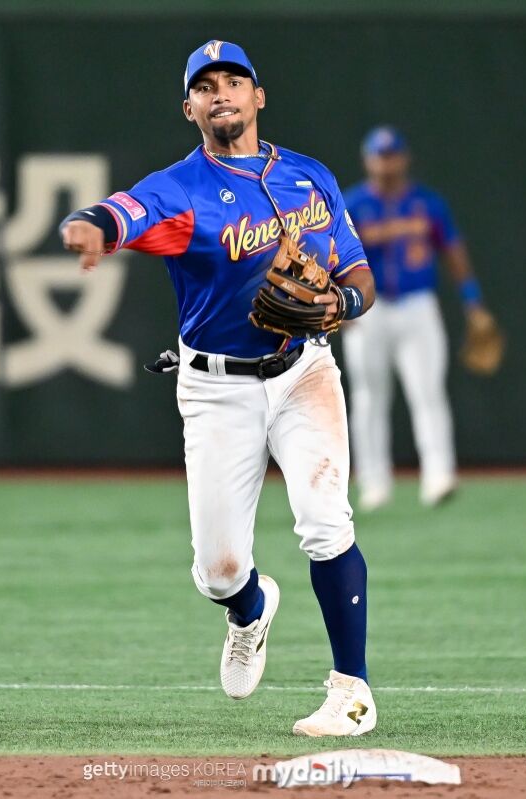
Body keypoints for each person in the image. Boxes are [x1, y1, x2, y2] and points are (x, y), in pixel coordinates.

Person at [61, 40, 377, 737]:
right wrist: (89, 227)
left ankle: (352, 690)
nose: (222, 92)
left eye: (235, 80)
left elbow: (359, 278)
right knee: (217, 569)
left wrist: (340, 308)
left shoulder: (311, 177)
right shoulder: (183, 188)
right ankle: (249, 608)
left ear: (258, 96)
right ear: (191, 107)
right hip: (216, 390)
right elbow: (124, 211)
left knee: (326, 521)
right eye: (206, 86)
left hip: (304, 372)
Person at [343, 126, 492, 510]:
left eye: (392, 155)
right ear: (368, 160)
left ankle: (439, 476)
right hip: (368, 311)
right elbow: (333, 258)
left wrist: (472, 299)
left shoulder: (427, 203)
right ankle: (374, 483)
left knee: (427, 392)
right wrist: (342, 306)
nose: (386, 163)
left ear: (404, 158)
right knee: (368, 398)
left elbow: (453, 250)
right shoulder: (353, 204)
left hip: (417, 306)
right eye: (379, 155)